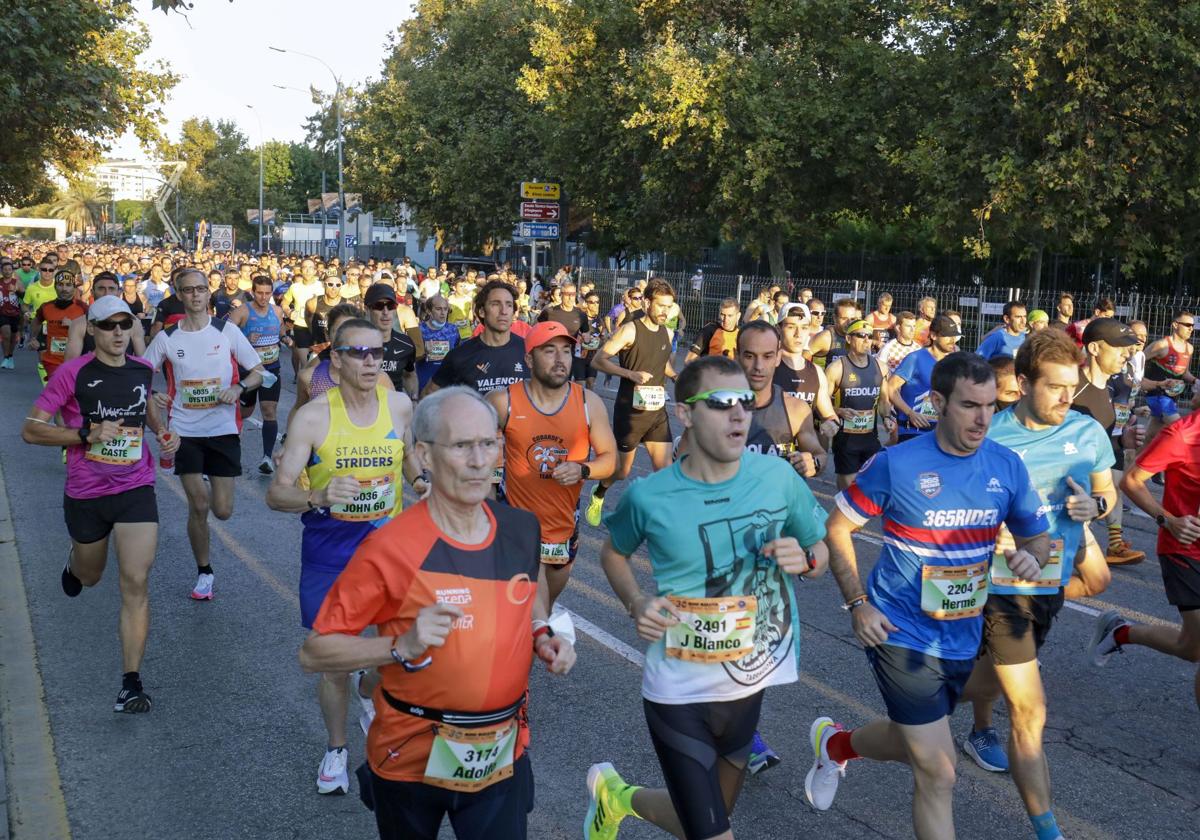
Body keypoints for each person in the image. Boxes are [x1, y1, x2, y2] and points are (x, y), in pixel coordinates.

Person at [299, 386, 575, 839]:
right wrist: (398, 646)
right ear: (424, 455)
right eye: (462, 445)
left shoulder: (521, 529)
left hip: (500, 752)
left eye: (488, 444)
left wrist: (543, 632)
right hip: (409, 755)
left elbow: (532, 592)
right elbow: (314, 652)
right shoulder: (390, 548)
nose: (479, 460)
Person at [586, 355, 829, 840]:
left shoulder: (777, 479)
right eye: (720, 403)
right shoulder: (648, 496)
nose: (739, 414)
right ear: (685, 414)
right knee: (715, 833)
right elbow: (613, 554)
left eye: (744, 402)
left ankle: (617, 797)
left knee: (707, 817)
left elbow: (817, 546)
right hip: (678, 689)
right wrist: (636, 602)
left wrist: (807, 561)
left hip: (746, 684)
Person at [809, 352, 1050, 839]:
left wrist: (1032, 556)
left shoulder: (1005, 464)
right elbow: (837, 529)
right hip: (899, 632)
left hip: (964, 635)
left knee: (911, 736)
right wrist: (859, 603)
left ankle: (837, 746)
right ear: (938, 402)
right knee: (939, 771)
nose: (983, 418)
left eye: (989, 405)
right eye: (968, 406)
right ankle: (841, 747)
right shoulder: (897, 464)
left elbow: (1036, 535)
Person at [959, 329, 1116, 840]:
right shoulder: (992, 435)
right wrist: (991, 529)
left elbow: (1107, 495)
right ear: (1023, 383)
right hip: (999, 591)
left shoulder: (1087, 433)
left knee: (960, 693)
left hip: (1048, 589)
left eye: (1071, 387)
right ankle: (1050, 832)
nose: (1066, 398)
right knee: (1030, 712)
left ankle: (847, 744)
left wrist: (1094, 509)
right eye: (1054, 387)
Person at [268, 316, 422, 795]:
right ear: (336, 359)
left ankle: (368, 685)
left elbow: (409, 453)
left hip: (387, 550)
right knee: (334, 659)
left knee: (404, 653)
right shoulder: (314, 417)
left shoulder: (398, 405)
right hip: (329, 552)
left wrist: (420, 482)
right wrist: (315, 496)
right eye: (359, 352)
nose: (372, 361)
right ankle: (336, 748)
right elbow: (277, 494)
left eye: (378, 352)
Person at [20, 296, 179, 713]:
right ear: (91, 330)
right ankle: (75, 561)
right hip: (87, 492)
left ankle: (131, 683)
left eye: (124, 325)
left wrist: (164, 433)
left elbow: (145, 412)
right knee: (91, 577)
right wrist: (83, 434)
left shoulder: (143, 370)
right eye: (107, 325)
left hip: (135, 486)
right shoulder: (72, 374)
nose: (118, 333)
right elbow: (32, 430)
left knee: (136, 582)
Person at [144, 267, 266, 601]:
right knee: (198, 505)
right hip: (184, 429)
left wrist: (239, 387)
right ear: (179, 295)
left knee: (222, 510)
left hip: (223, 429)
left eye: (200, 289)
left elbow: (258, 372)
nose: (195, 295)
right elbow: (139, 375)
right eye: (188, 290)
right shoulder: (168, 337)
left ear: (207, 292)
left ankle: (211, 481)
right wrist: (155, 394)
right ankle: (204, 573)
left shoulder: (225, 331)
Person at [487, 321, 616, 607]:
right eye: (549, 351)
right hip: (515, 527)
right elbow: (472, 456)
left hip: (562, 530)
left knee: (541, 612)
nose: (561, 359)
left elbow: (610, 461)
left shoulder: (588, 403)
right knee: (525, 613)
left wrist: (583, 469)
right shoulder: (502, 402)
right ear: (529, 359)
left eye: (566, 351)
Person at [1099, 390, 1200, 710]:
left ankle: (1121, 632)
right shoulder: (1182, 435)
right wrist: (1167, 520)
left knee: (1192, 648)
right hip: (1185, 550)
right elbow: (1131, 481)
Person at [585, 278, 678, 526]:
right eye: (660, 306)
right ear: (647, 303)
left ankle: (657, 520)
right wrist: (630, 374)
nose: (664, 312)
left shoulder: (668, 333)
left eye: (669, 307)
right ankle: (599, 493)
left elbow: (662, 364)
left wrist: (677, 375)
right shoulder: (630, 330)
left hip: (656, 411)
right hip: (631, 412)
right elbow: (598, 361)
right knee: (622, 471)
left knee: (665, 471)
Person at [1072, 318, 1146, 566]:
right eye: (1118, 347)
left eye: (1128, 347)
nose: (1127, 354)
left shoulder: (1106, 389)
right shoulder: (1070, 386)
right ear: (1094, 349)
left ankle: (1114, 543)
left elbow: (1097, 442)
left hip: (1081, 507)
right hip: (1053, 505)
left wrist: (1123, 441)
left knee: (1092, 580)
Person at [425, 280, 529, 396]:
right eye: (495, 304)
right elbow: (429, 395)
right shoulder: (460, 356)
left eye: (509, 305)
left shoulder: (528, 351)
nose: (504, 311)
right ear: (482, 312)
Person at [228, 275, 288, 474]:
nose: (263, 297)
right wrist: (245, 337)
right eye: (259, 293)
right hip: (248, 372)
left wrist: (287, 338)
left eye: (267, 293)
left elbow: (280, 330)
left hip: (272, 369)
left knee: (269, 411)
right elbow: (223, 336)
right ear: (253, 292)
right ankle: (230, 452)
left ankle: (267, 458)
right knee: (244, 413)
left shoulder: (277, 311)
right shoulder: (243, 312)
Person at [826, 319, 895, 488]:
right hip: (845, 439)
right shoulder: (837, 368)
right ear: (849, 339)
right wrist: (839, 411)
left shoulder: (880, 367)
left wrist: (887, 417)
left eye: (870, 336)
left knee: (870, 486)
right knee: (848, 487)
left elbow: (884, 400)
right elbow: (821, 403)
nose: (867, 340)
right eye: (861, 335)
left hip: (870, 438)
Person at [888, 314, 961, 443]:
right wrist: (910, 413)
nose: (952, 340)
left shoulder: (954, 361)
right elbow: (890, 388)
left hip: (940, 433)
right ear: (933, 335)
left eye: (954, 336)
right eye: (947, 336)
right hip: (912, 432)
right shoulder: (915, 358)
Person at [773, 304, 841, 439]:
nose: (798, 334)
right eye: (791, 327)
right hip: (771, 454)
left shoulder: (816, 372)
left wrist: (831, 425)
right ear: (778, 329)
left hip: (805, 455)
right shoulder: (766, 368)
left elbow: (829, 415)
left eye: (804, 328)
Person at [1140, 310, 1196, 448]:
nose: (1191, 329)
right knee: (1180, 430)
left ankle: (1134, 463)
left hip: (1172, 398)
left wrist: (1196, 381)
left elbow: (1184, 373)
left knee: (1150, 438)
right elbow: (1138, 360)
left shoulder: (1189, 348)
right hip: (1157, 396)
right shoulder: (1162, 345)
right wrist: (1139, 380)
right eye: (1187, 325)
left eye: (1192, 326)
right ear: (1175, 325)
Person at [30, 270, 87, 384]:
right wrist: (33, 338)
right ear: (55, 287)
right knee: (59, 391)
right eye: (60, 285)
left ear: (74, 287)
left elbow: (93, 331)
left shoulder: (83, 308)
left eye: (68, 285)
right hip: (52, 361)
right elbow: (36, 321)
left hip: (76, 360)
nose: (64, 289)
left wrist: (74, 325)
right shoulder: (46, 307)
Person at [364, 285, 419, 400]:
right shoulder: (354, 343)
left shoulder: (406, 344)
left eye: (390, 306)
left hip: (394, 409)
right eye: (379, 306)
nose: (385, 312)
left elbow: (409, 375)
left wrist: (413, 399)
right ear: (367, 309)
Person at [537, 281, 592, 382]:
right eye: (567, 294)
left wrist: (586, 339)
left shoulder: (581, 315)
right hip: (549, 355)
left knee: (563, 384)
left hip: (567, 356)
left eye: (573, 294)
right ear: (561, 295)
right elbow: (537, 328)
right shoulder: (550, 312)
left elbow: (586, 333)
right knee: (548, 383)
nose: (570, 297)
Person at [281, 257, 324, 372]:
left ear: (315, 271)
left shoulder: (323, 286)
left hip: (319, 328)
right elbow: (284, 303)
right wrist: (288, 311)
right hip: (301, 327)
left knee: (317, 362)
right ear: (300, 270)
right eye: (305, 267)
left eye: (311, 268)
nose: (308, 270)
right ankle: (302, 381)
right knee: (305, 364)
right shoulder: (294, 287)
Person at [416, 294, 460, 393]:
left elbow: (458, 353)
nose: (443, 313)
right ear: (428, 311)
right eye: (438, 309)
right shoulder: (419, 329)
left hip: (447, 383)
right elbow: (410, 359)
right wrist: (424, 353)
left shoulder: (453, 329)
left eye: (445, 309)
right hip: (424, 383)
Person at [805, 298, 859, 369]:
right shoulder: (826, 337)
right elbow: (800, 360)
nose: (848, 323)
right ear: (835, 318)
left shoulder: (858, 337)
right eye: (844, 318)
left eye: (852, 319)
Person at [685, 298, 740, 363]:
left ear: (738, 316)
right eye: (722, 315)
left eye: (730, 316)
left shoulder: (741, 334)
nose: (725, 319)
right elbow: (689, 360)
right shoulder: (709, 330)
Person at [306, 271, 345, 354]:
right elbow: (308, 320)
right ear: (324, 285)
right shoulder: (312, 303)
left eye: (338, 285)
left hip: (340, 350)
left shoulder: (347, 304)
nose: (334, 288)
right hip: (318, 349)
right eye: (330, 284)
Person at [877, 310, 920, 376]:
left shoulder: (918, 348)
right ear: (898, 328)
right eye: (908, 326)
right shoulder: (888, 347)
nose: (912, 329)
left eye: (914, 326)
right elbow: (878, 371)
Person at [578, 290, 606, 391]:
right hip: (579, 357)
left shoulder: (599, 321)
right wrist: (581, 339)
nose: (595, 305)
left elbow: (603, 340)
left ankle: (588, 405)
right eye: (592, 302)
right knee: (579, 385)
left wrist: (600, 341)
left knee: (590, 383)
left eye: (597, 302)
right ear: (586, 303)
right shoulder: (580, 317)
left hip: (592, 357)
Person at [0, 257, 23, 368]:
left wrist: (16, 290)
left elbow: (24, 296)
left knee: (13, 337)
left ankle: (10, 356)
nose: (7, 271)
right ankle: (5, 358)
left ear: (12, 271)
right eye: (5, 269)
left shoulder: (17, 282)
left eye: (9, 269)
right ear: (1, 271)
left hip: (15, 313)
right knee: (6, 334)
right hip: (2, 313)